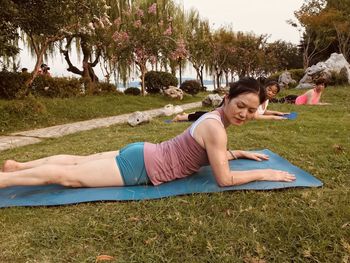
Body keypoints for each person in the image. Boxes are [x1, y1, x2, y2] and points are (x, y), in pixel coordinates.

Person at [0, 77, 295, 189]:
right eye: (240, 105)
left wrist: (239, 153)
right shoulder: (216, 128)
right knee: (69, 177)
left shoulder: (214, 118)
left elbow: (201, 153)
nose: (244, 114)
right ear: (228, 98)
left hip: (144, 151)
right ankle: (6, 180)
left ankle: (19, 166)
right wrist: (264, 174)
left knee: (78, 160)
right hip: (142, 165)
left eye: (252, 110)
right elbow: (225, 179)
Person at [172, 81, 288, 122]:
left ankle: (186, 115)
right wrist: (274, 117)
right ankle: (183, 117)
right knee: (212, 116)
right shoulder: (257, 98)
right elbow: (256, 116)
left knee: (212, 114)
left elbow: (262, 111)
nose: (271, 93)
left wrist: (276, 113)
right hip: (231, 101)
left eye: (274, 92)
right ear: (264, 87)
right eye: (269, 89)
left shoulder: (265, 101)